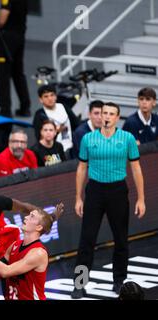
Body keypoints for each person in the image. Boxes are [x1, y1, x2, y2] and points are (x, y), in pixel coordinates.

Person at [72, 102, 146, 299]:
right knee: (87, 239)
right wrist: (78, 197)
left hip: (118, 191)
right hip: (95, 190)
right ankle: (80, 283)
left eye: (111, 113)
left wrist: (141, 198)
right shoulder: (88, 138)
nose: (106, 116)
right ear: (99, 115)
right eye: (104, 113)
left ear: (117, 117)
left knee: (121, 239)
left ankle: (119, 281)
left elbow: (136, 168)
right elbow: (81, 168)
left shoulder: (127, 138)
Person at [0, 204, 64, 300]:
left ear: (38, 227)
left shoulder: (38, 253)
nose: (26, 217)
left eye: (32, 216)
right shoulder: (14, 245)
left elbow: (5, 271)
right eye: (29, 215)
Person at [0, 0, 30, 117]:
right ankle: (25, 107)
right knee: (18, 73)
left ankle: (5, 110)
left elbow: (3, 16)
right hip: (20, 37)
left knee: (3, 75)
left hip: (7, 39)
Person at [33, 85, 80, 154]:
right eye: (46, 96)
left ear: (56, 96)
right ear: (41, 99)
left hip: (72, 147)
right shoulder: (40, 115)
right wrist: (55, 131)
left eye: (52, 95)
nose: (50, 98)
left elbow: (76, 124)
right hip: (54, 152)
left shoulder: (64, 107)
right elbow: (40, 138)